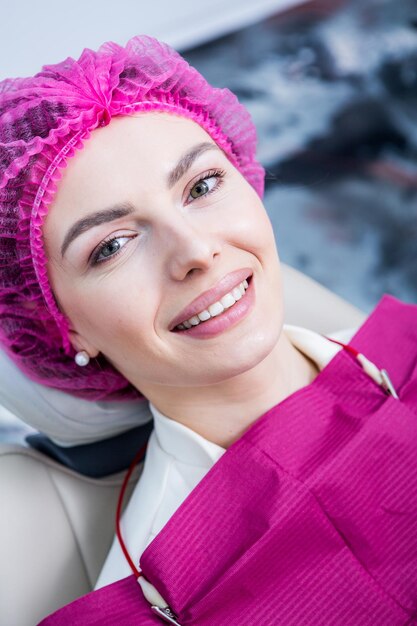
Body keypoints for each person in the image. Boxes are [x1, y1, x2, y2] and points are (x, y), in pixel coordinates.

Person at [0, 35, 416, 626]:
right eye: (112, 246)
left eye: (201, 186)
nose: (195, 251)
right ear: (62, 328)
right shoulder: (154, 610)